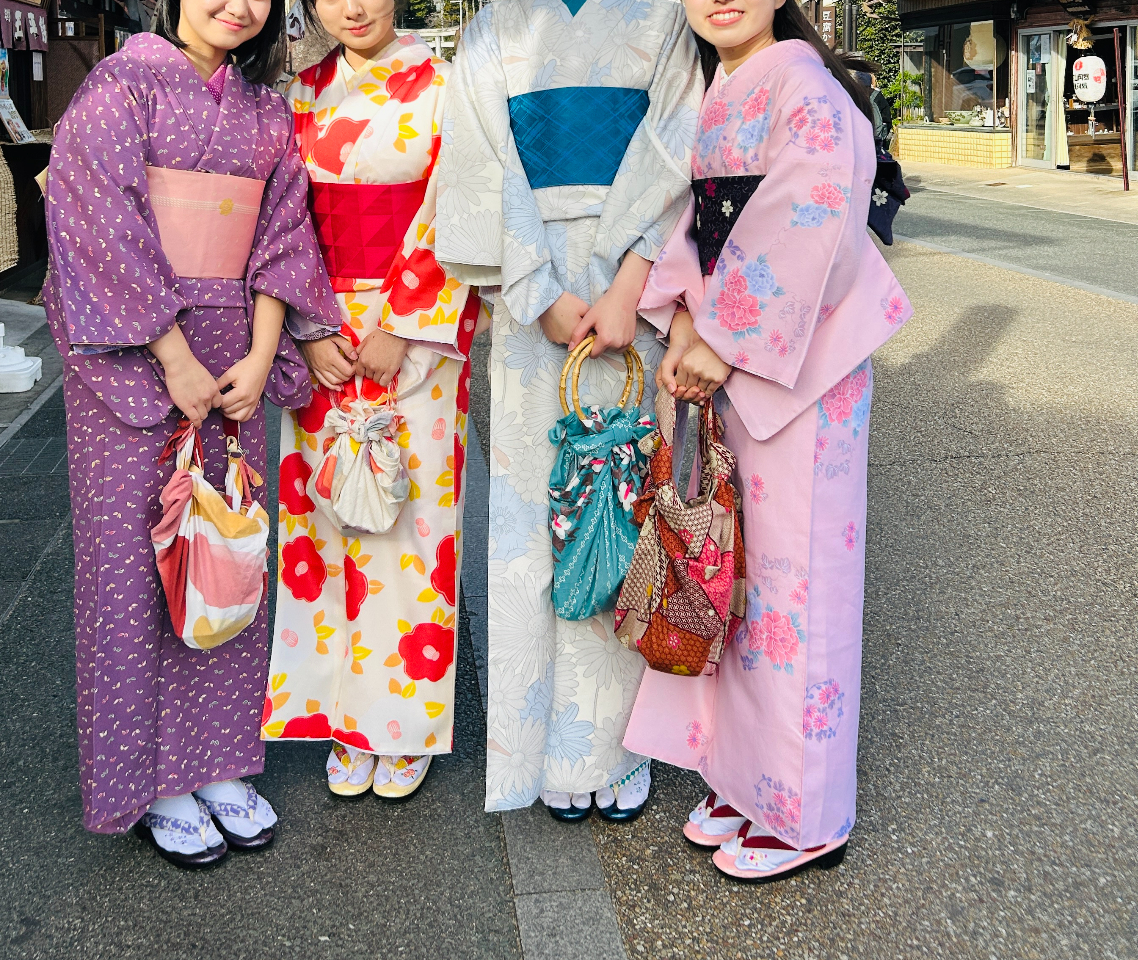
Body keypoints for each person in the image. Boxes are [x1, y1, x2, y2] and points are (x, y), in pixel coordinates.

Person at [43, 0, 342, 868]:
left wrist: (260, 356)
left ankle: (218, 763)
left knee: (226, 555)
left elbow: (284, 232)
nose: (238, 6)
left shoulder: (266, 108)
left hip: (230, 359)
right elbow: (97, 223)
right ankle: (150, 782)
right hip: (135, 356)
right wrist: (171, 355)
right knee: (133, 569)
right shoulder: (121, 85)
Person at [623, 0, 912, 881]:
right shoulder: (729, 86)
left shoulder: (809, 91)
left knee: (800, 584)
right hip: (741, 356)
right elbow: (700, 225)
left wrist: (716, 334)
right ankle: (749, 779)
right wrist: (679, 319)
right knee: (741, 573)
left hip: (805, 370)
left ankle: (808, 810)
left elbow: (811, 220)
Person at [436, 0, 703, 821]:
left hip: (633, 289)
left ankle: (618, 747)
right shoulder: (493, 29)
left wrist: (630, 282)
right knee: (529, 521)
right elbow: (481, 165)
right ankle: (539, 745)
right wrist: (536, 291)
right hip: (532, 291)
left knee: (621, 511)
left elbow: (680, 145)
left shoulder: (664, 18)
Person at [259, 0, 482, 801]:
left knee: (410, 526)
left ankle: (403, 724)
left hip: (410, 331)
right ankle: (338, 713)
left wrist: (406, 325)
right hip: (321, 334)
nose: (353, 7)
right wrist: (312, 328)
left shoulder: (447, 87)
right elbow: (282, 220)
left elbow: (463, 203)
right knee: (323, 525)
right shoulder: (302, 92)